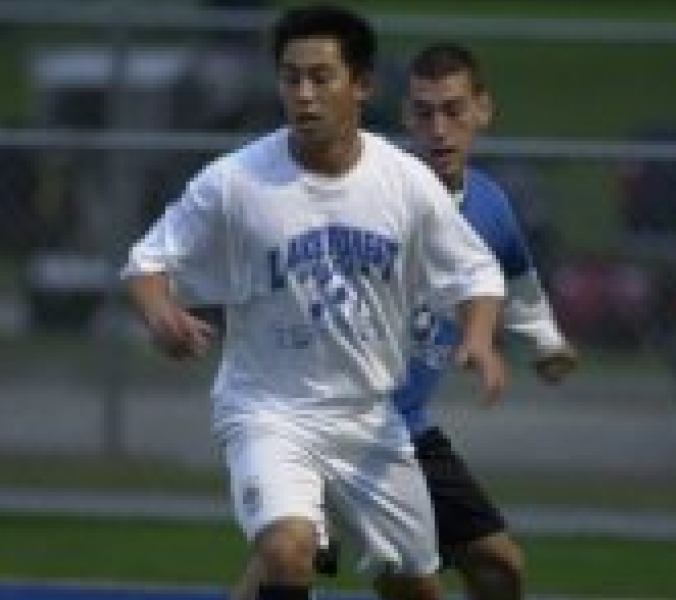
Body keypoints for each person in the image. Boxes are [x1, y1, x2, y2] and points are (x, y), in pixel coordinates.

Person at [122, 7, 507, 600]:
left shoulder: (403, 182)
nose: (303, 94)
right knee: (287, 549)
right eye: (290, 77)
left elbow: (476, 270)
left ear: (362, 85)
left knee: (415, 588)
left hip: (370, 420)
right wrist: (160, 315)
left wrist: (479, 338)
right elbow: (148, 263)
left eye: (321, 77)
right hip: (268, 410)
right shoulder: (236, 181)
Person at [231, 42, 577, 600]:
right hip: (326, 419)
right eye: (422, 112)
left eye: (454, 110)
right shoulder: (362, 191)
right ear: (405, 117)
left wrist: (546, 343)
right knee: (289, 561)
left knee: (499, 569)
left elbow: (519, 284)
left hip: (405, 431)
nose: (438, 128)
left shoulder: (490, 206)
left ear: (483, 111)